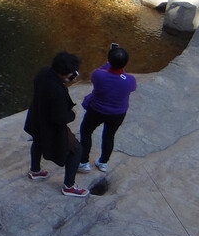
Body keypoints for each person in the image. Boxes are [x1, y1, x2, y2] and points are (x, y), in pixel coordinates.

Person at [24, 51, 89, 198]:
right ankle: (69, 186)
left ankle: (35, 171)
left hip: (36, 118)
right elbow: (60, 118)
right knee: (76, 150)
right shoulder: (57, 90)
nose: (72, 74)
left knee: (37, 141)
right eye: (70, 72)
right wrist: (72, 114)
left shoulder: (44, 72)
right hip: (50, 127)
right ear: (63, 73)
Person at [78, 44, 137, 173]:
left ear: (109, 61)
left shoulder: (98, 75)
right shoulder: (130, 80)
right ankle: (103, 163)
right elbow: (126, 81)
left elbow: (102, 71)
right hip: (118, 113)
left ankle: (84, 162)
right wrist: (119, 68)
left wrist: (109, 62)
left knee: (86, 132)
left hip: (97, 110)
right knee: (109, 136)